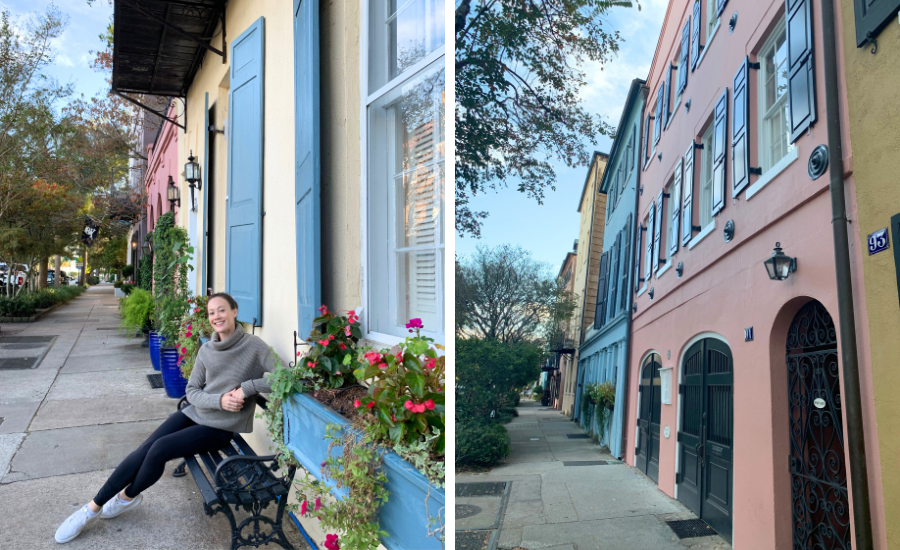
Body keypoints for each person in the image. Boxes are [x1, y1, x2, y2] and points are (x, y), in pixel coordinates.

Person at [54, 292, 278, 544]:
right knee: (145, 448)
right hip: (197, 413)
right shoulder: (207, 349)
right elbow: (191, 391)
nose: (217, 316)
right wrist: (218, 400)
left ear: (235, 312)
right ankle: (90, 509)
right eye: (212, 312)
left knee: (159, 449)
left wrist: (246, 388)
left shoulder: (254, 346)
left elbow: (282, 376)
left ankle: (127, 497)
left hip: (220, 426)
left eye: (222, 310)